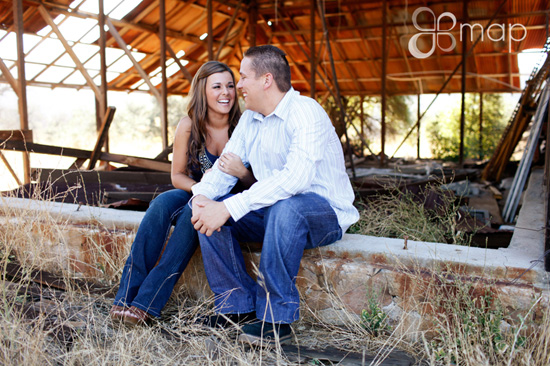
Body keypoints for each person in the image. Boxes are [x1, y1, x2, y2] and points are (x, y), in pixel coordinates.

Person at [190, 45, 359, 345]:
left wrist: (230, 206)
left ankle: (275, 318)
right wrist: (202, 198)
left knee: (286, 207)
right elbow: (223, 170)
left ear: (266, 80)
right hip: (273, 212)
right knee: (211, 213)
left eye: (243, 77)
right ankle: (236, 306)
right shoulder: (251, 120)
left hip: (322, 214)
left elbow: (295, 179)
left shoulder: (306, 112)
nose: (237, 85)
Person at [110, 61, 255, 326]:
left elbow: (256, 184)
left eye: (231, 86)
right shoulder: (189, 125)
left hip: (228, 199)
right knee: (162, 204)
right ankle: (124, 299)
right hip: (195, 190)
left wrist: (241, 173)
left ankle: (146, 305)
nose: (226, 92)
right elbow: (176, 176)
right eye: (217, 86)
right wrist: (199, 189)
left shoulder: (244, 126)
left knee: (194, 211)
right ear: (203, 90)